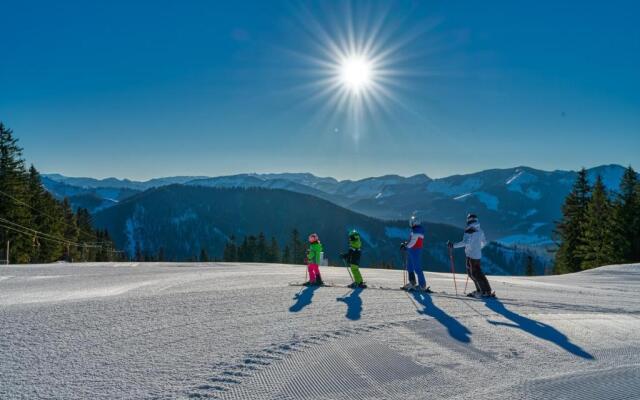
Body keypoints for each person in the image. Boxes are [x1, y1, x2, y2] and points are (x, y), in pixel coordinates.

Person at [448, 213, 494, 298]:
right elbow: (484, 242)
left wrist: (453, 245)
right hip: (477, 255)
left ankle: (482, 291)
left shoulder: (469, 231)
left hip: (471, 256)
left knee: (473, 274)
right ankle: (485, 290)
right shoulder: (480, 230)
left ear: (469, 220)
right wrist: (478, 248)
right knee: (477, 273)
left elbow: (465, 242)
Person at [401, 215, 429, 291]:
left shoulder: (417, 231)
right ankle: (412, 282)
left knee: (417, 268)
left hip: (415, 251)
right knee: (409, 267)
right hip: (412, 250)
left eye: (411, 222)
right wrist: (406, 244)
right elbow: (411, 241)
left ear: (414, 223)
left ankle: (422, 285)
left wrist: (406, 246)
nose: (410, 223)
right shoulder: (415, 230)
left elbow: (413, 242)